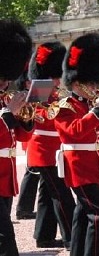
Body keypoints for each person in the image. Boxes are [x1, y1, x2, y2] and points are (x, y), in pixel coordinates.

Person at [54, 32, 99, 256]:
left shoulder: (91, 105)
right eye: (91, 83)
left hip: (94, 166)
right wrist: (97, 112)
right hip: (79, 166)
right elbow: (72, 133)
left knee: (83, 211)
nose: (96, 86)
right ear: (77, 83)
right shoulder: (64, 106)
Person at [26, 41, 76, 249]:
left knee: (47, 194)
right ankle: (72, 237)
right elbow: (39, 116)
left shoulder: (55, 91)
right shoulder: (40, 89)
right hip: (44, 149)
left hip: (54, 148)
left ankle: (44, 236)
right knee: (62, 195)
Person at [0, 18, 34, 256]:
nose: (5, 83)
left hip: (4, 176)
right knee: (5, 239)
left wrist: (24, 117)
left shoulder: (4, 99)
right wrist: (9, 114)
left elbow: (20, 137)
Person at [15, 71, 40, 221]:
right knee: (32, 171)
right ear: (27, 83)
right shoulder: (24, 96)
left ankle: (25, 208)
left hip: (34, 134)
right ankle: (23, 209)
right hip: (32, 137)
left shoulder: (34, 95)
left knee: (34, 172)